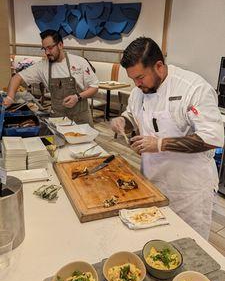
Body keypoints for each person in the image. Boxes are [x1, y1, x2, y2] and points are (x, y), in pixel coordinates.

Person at [111, 37, 224, 239]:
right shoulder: (140, 90)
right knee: (154, 240)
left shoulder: (193, 88)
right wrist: (122, 121)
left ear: (159, 66)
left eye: (140, 77)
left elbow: (212, 138)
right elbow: (133, 114)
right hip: (151, 182)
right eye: (133, 79)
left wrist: (161, 144)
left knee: (189, 245)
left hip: (188, 191)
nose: (136, 84)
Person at [4, 30, 98, 125]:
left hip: (81, 119)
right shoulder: (42, 67)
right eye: (44, 49)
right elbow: (17, 78)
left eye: (50, 48)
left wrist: (77, 97)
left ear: (60, 45)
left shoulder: (79, 62)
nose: (47, 52)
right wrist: (9, 98)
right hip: (59, 119)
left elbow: (94, 87)